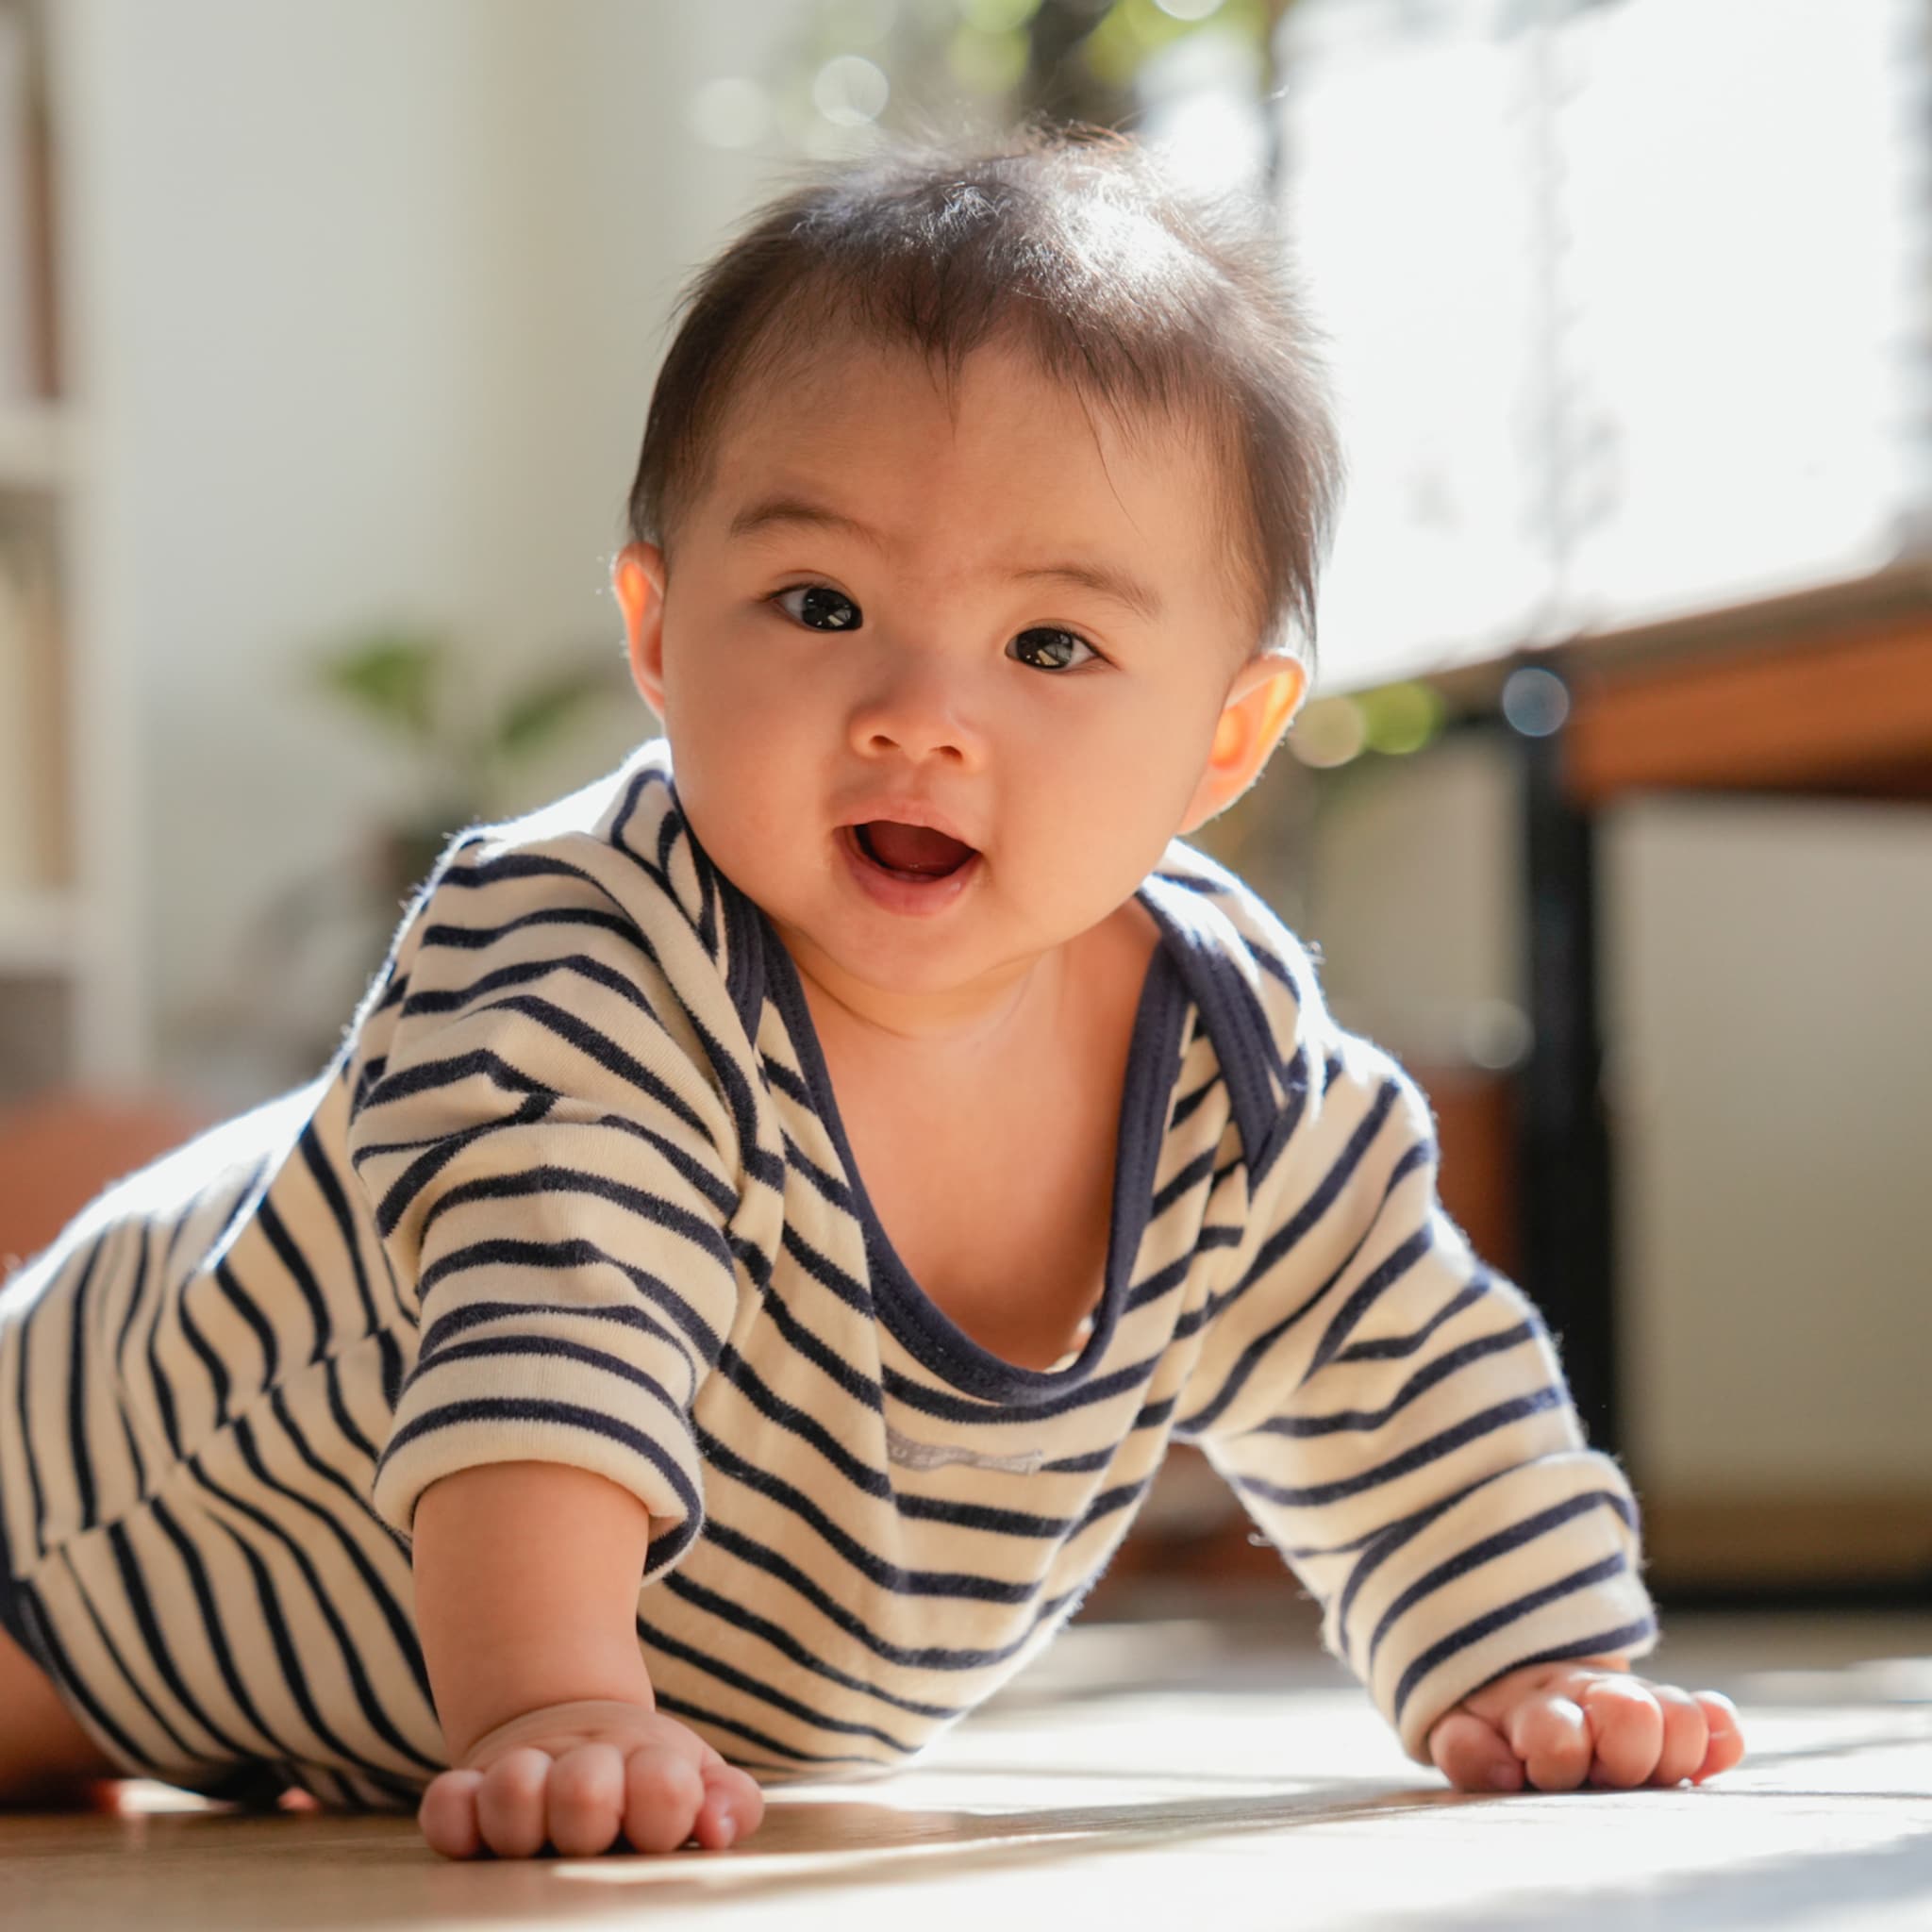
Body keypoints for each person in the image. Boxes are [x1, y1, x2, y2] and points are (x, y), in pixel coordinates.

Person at [0, 122, 1744, 1861]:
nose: (919, 711)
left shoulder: (1232, 1059)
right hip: (92, 1534)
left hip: (374, 1685)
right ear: (663, 632)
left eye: (1050, 645)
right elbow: (549, 1345)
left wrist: (1530, 1661)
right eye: (820, 602)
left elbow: (1401, 1362)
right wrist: (556, 1706)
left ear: (1222, 737)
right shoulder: (588, 960)